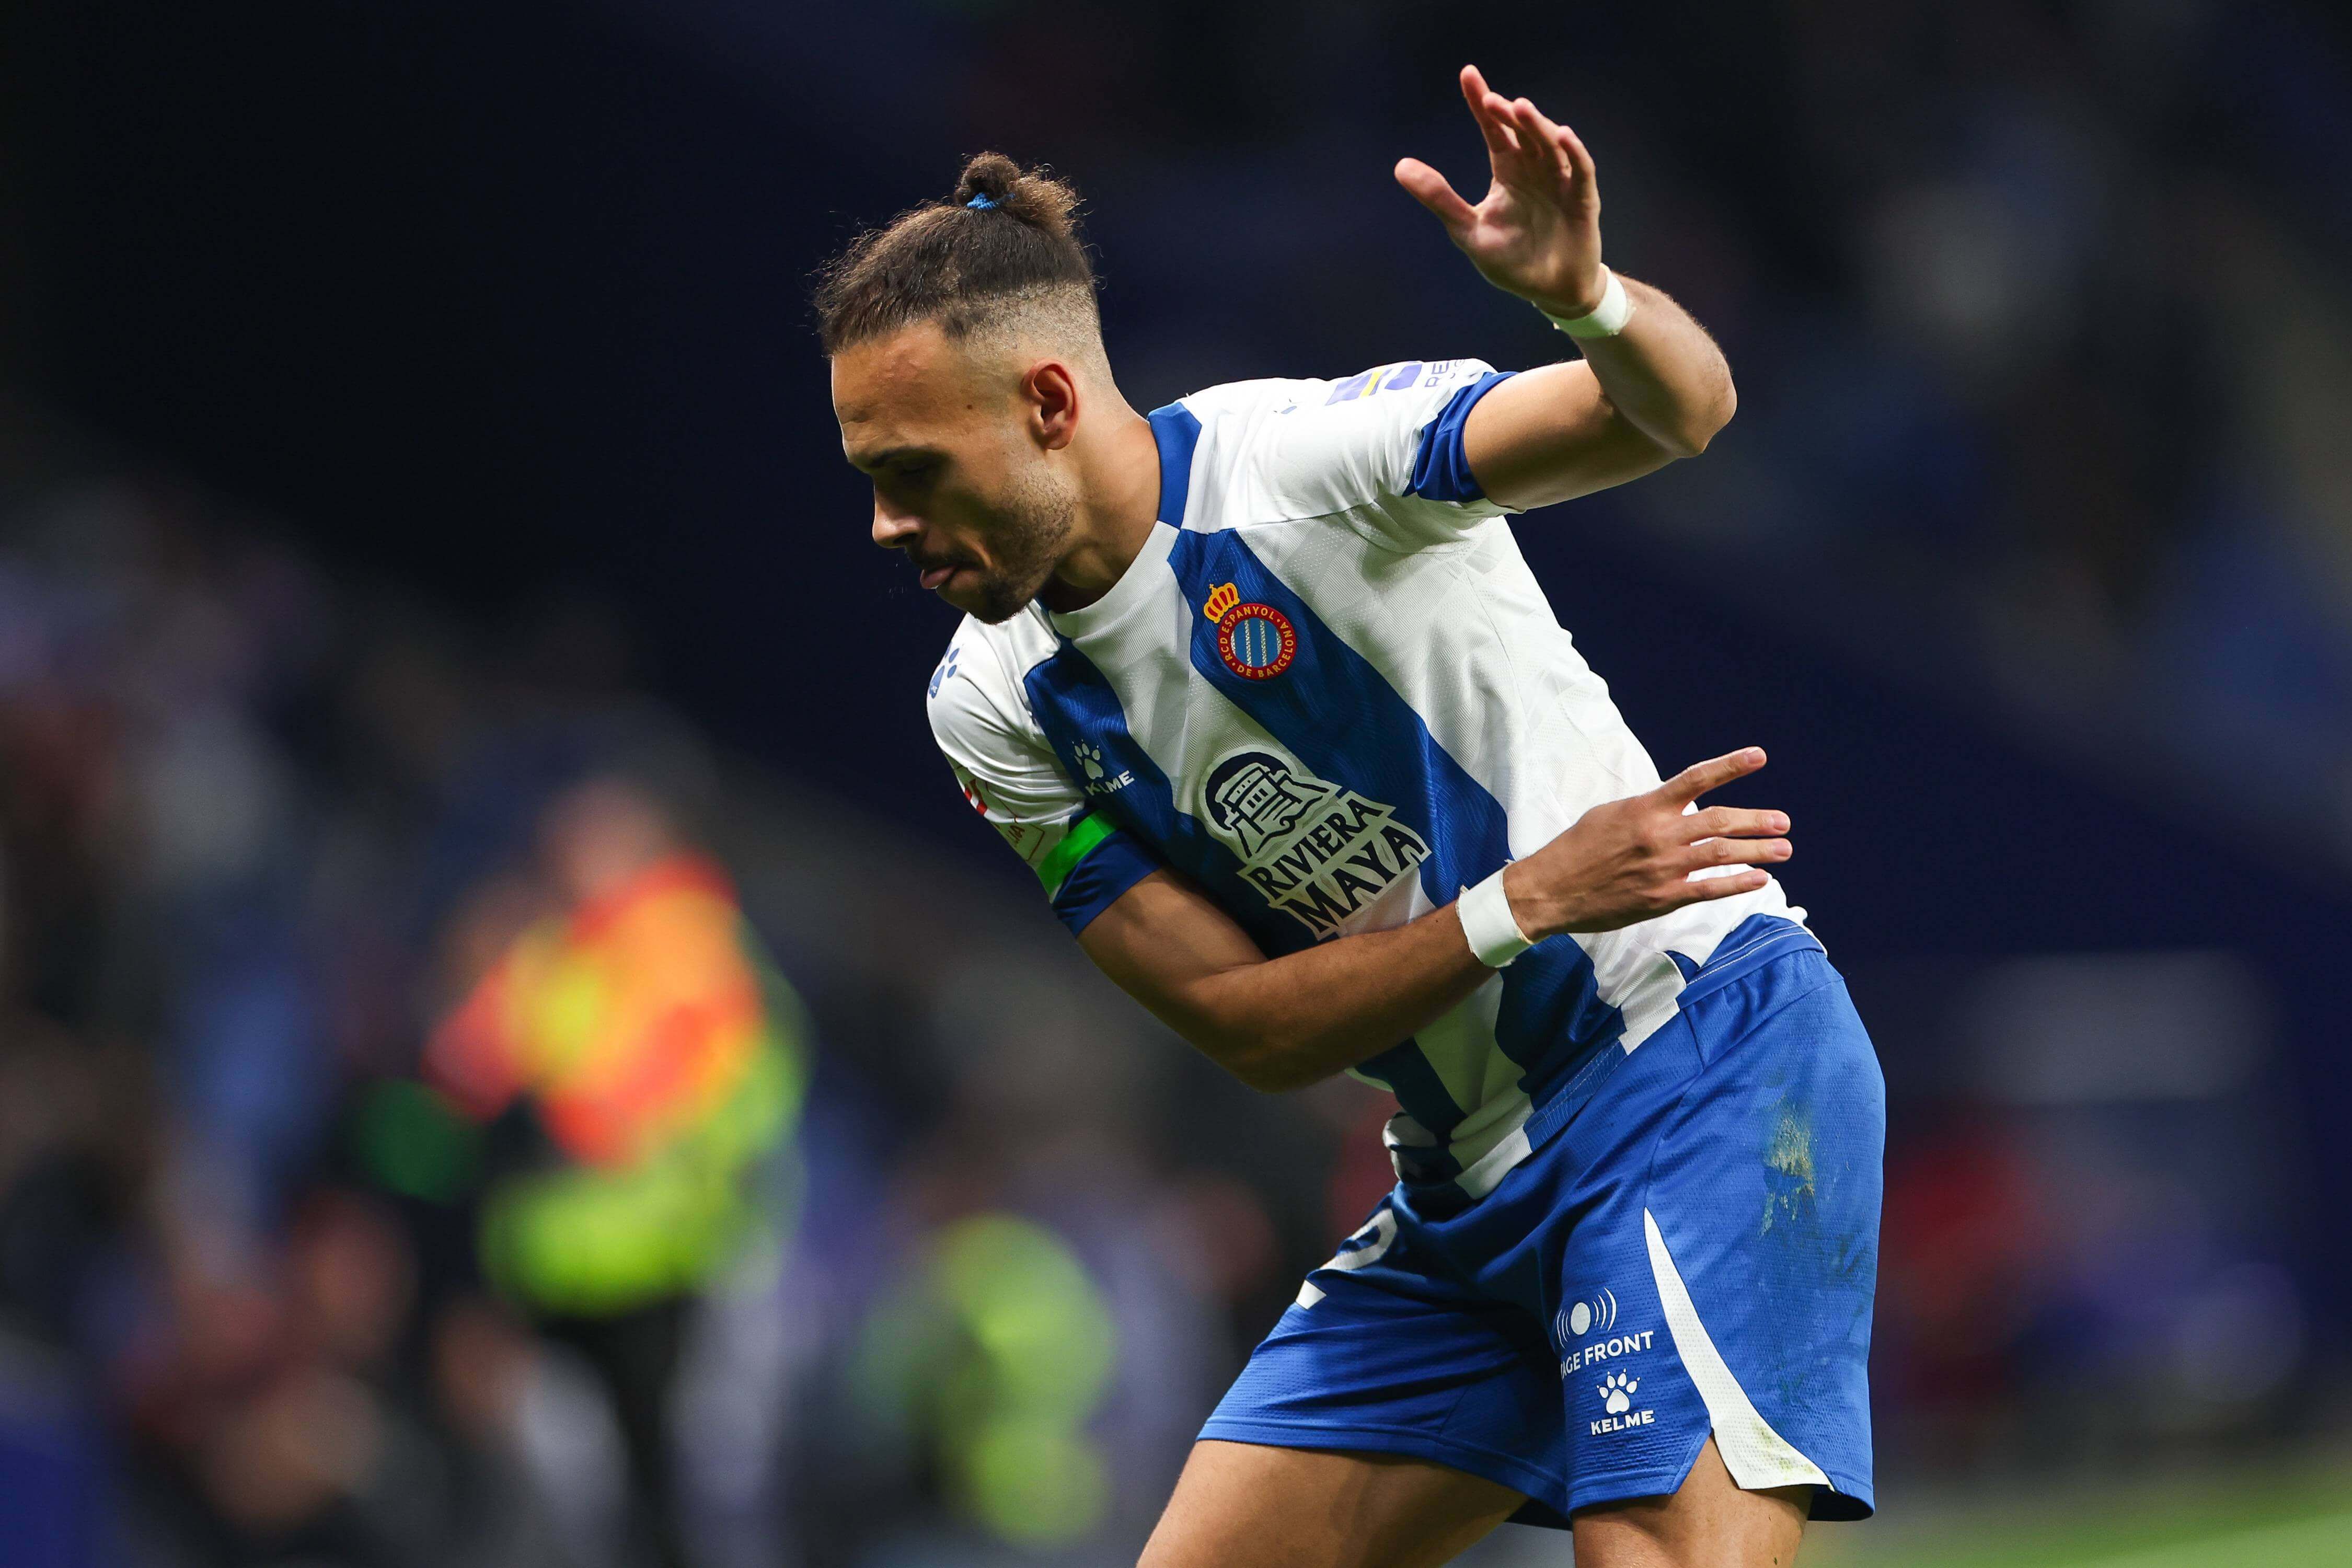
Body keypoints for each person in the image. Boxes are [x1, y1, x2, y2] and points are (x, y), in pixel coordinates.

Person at [817, 65, 1884, 1568]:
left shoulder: (1309, 468)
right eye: (868, 480)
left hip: (1687, 1057)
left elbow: (1680, 412)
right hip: (1462, 1176)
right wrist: (1522, 902)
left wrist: (1587, 302)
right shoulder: (991, 704)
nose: (886, 525)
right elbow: (1251, 1029)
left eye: (913, 473)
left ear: (1049, 403)